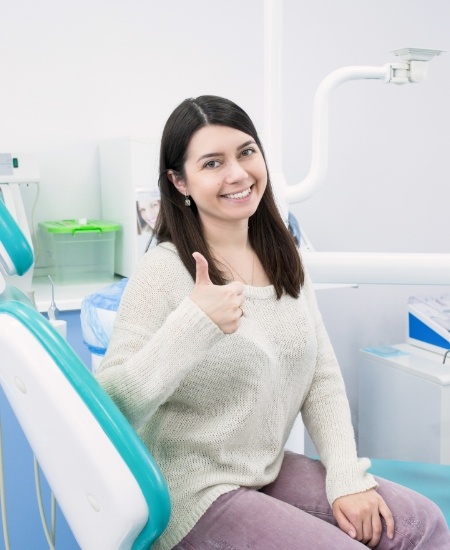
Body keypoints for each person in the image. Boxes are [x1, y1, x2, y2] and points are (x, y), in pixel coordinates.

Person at [96, 95, 450, 550]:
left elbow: (320, 375)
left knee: (421, 523)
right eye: (212, 163)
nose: (238, 174)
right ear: (179, 181)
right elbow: (108, 409)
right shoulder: (164, 271)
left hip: (263, 468)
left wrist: (346, 476)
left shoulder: (284, 257)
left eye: (246, 152)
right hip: (190, 493)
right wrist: (193, 325)